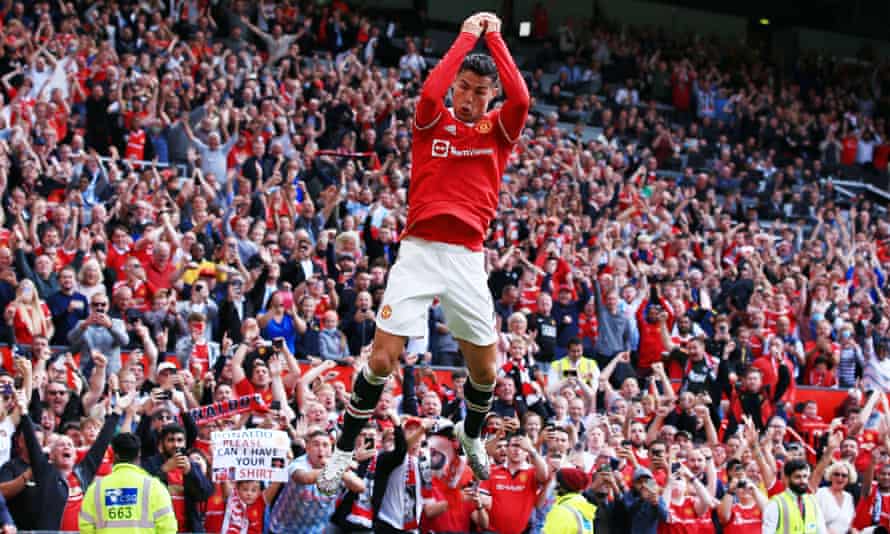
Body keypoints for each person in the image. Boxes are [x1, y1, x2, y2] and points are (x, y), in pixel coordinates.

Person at [317, 10, 530, 493]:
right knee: (380, 361)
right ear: (456, 87)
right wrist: (464, 36)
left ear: (490, 95)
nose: (472, 97)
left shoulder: (498, 130)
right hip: (418, 253)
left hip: (467, 258)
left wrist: (494, 37)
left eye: (481, 90)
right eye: (466, 87)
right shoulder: (432, 120)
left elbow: (522, 97)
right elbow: (431, 91)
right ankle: (342, 452)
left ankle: (470, 434)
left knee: (485, 370)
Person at [79, 432, 177, 534]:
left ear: (113, 454)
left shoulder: (95, 489)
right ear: (139, 453)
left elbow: (86, 528)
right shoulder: (155, 487)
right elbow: (168, 528)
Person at [763, 459, 828, 534]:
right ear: (787, 479)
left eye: (805, 476)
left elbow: (821, 530)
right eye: (797, 477)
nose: (803, 481)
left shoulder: (812, 501)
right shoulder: (775, 503)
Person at [542, 467, 596, 534]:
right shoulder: (584, 509)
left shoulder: (561, 511)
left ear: (562, 485)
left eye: (555, 481)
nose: (553, 485)